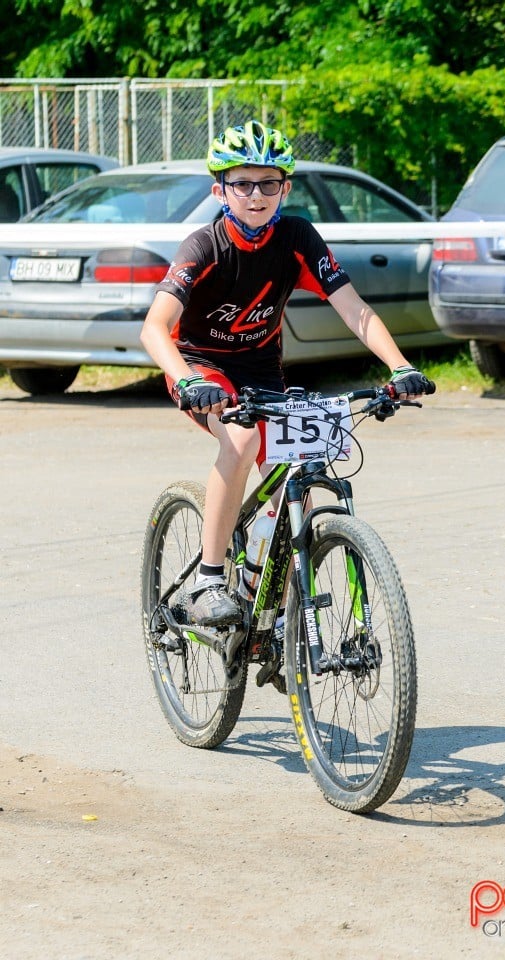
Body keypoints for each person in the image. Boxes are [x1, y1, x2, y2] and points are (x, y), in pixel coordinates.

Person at [141, 119, 433, 627]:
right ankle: (210, 578)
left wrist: (400, 365)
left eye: (269, 184)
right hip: (202, 370)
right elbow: (154, 328)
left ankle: (270, 605)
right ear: (221, 191)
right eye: (243, 184)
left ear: (285, 189)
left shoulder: (297, 237)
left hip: (262, 371)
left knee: (295, 483)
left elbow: (354, 310)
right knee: (239, 441)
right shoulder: (204, 245)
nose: (257, 195)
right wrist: (188, 380)